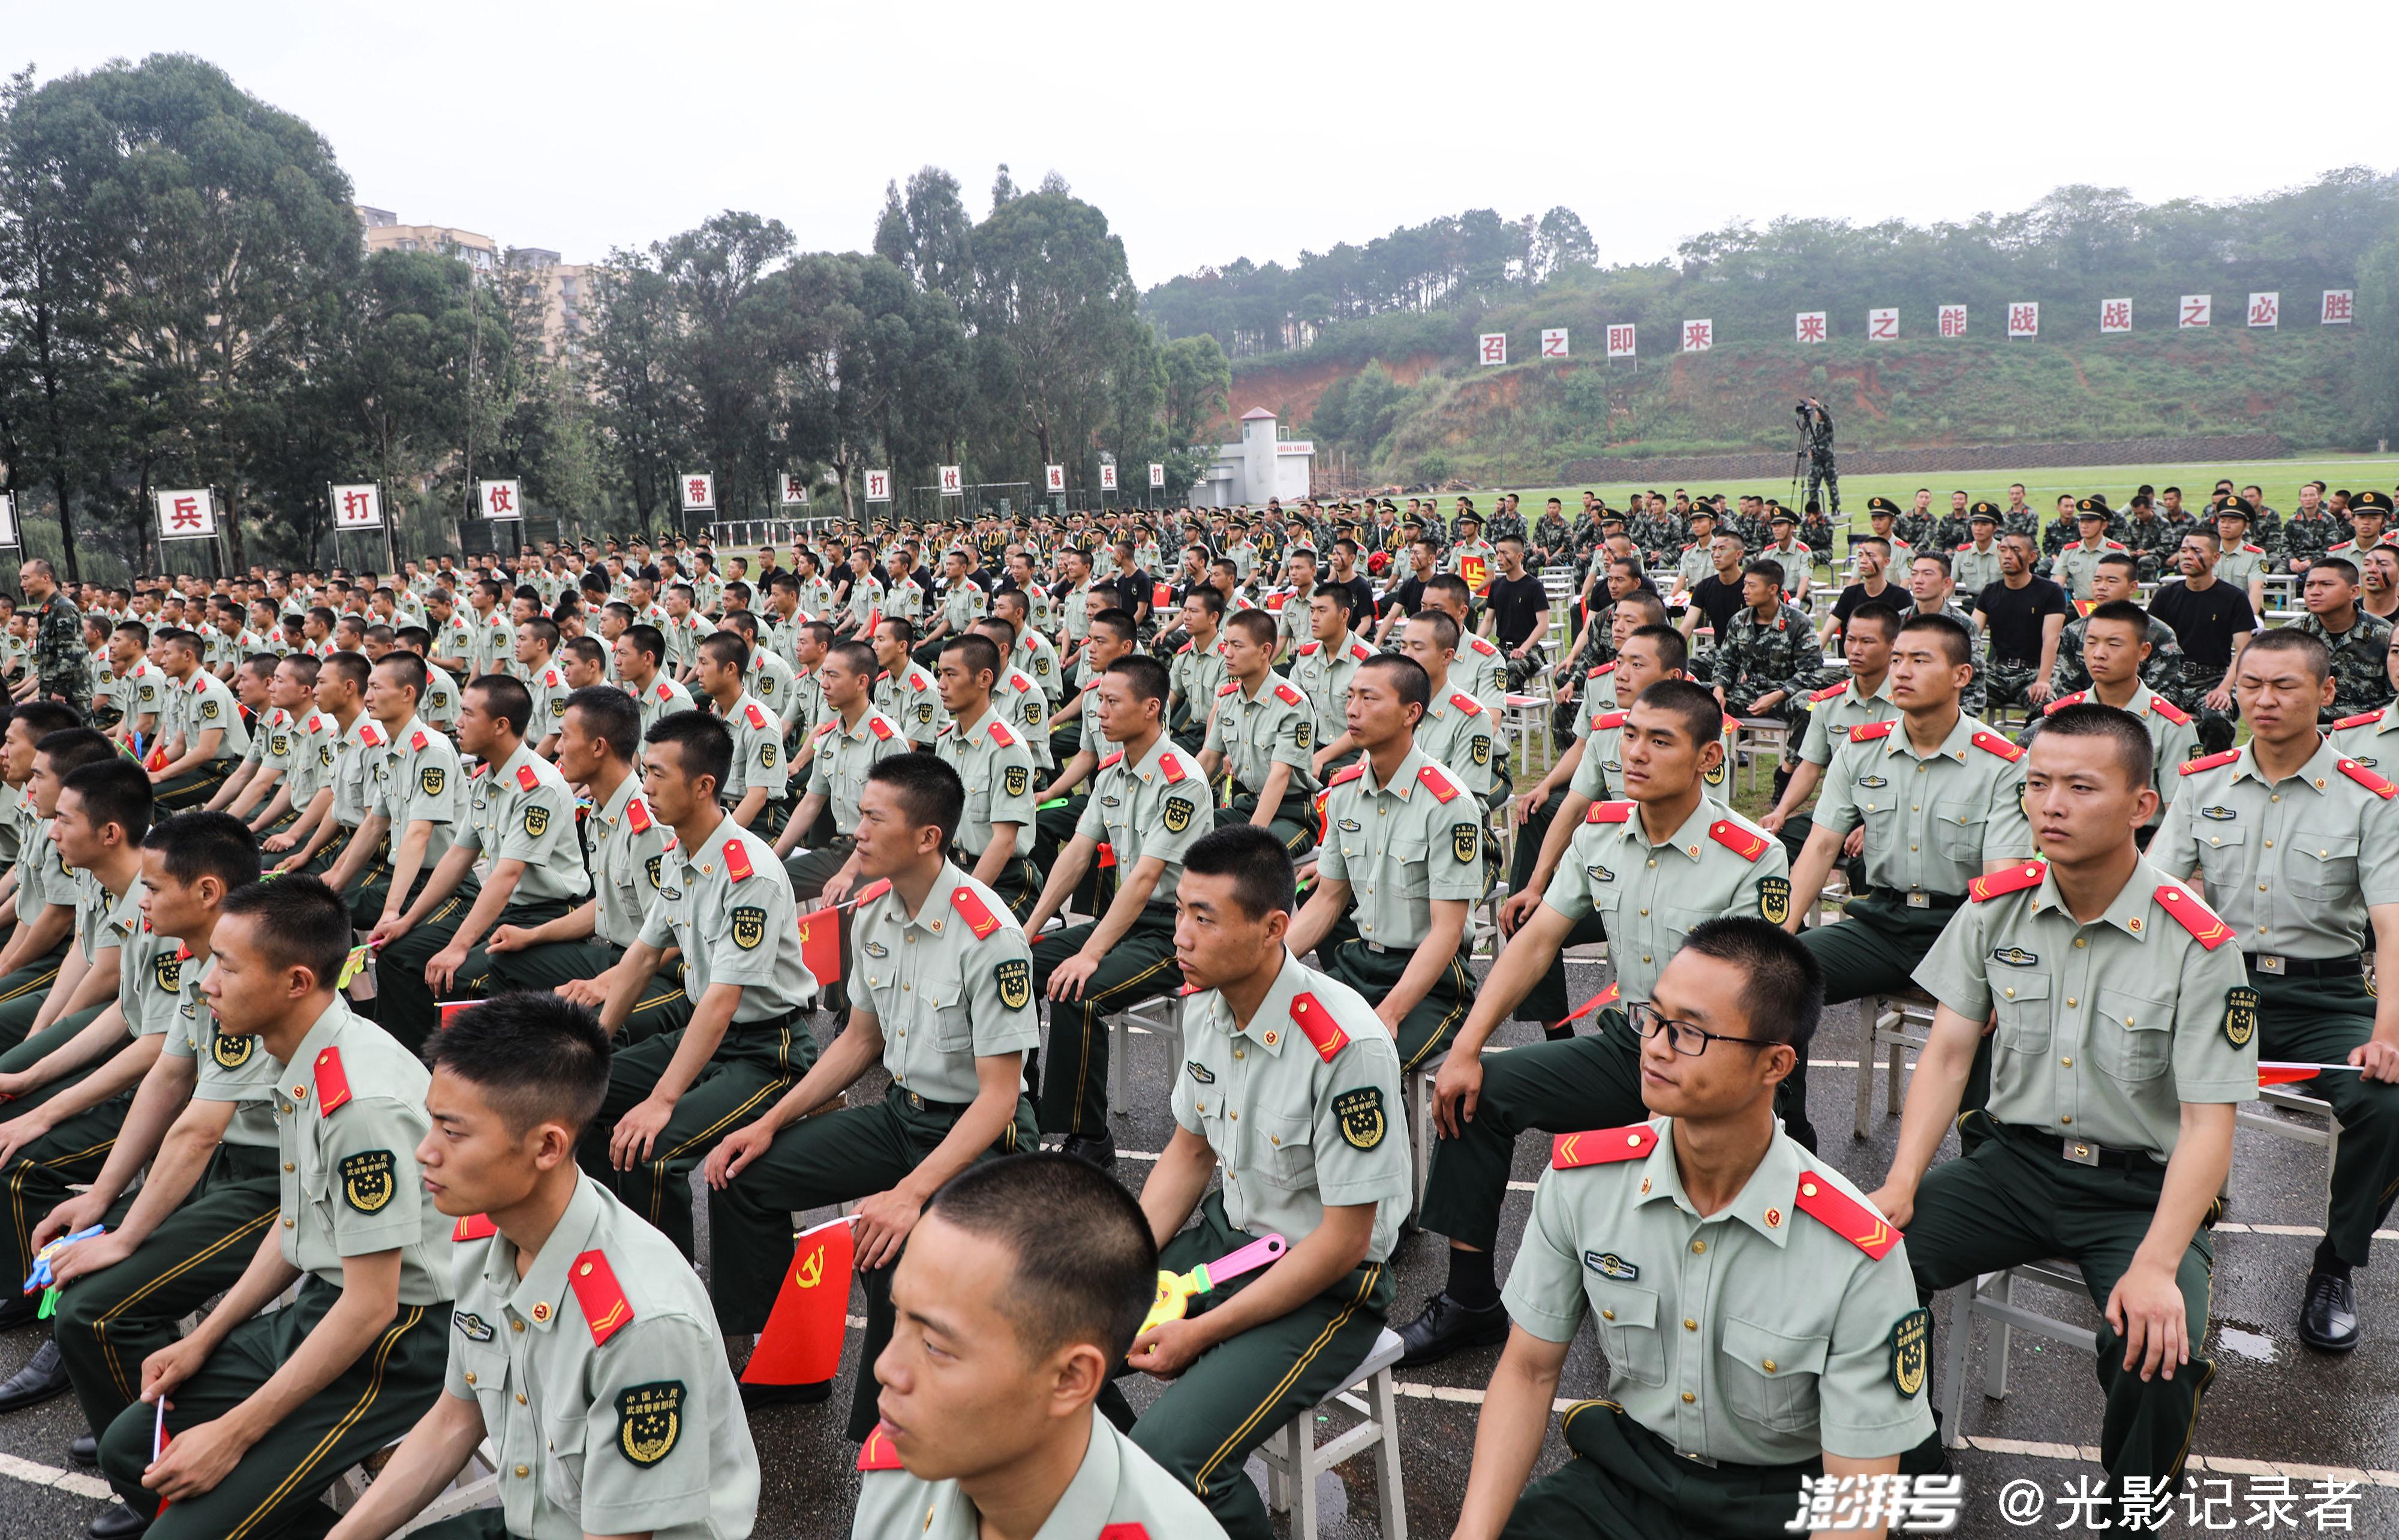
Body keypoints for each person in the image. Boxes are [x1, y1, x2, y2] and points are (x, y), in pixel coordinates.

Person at [1869, 705, 2253, 1526]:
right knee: (1868, 1269)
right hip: (2012, 1165)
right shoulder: (1996, 906)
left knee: (2157, 1348)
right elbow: (1946, 1054)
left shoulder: (2198, 941)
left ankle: (2129, 1515)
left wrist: (2156, 1261)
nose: (2052, 805)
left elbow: (2208, 1126)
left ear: (2140, 806)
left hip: (2138, 1193)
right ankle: (1913, 1460)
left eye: (2081, 787)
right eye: (2038, 784)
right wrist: (1901, 1183)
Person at [1450, 921, 1930, 1540]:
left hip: (1782, 1500)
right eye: (1652, 1018)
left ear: (1775, 1064)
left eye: (1689, 1033)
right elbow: (1529, 1372)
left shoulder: (1855, 1253)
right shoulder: (1585, 1183)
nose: (1653, 1046)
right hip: (1629, 1482)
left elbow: (1854, 1495)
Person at [1398, 682, 1787, 1365]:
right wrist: (1465, 1047)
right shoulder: (1602, 831)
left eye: (1659, 741)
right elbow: (1538, 939)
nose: (1633, 752)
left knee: (1744, 1181)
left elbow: (1753, 1007)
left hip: (1715, 1061)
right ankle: (1468, 1301)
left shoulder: (1750, 857)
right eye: (1630, 734)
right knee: (1476, 1092)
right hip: (1631, 1043)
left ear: (1706, 758)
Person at [91, 876, 456, 1540]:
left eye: (227, 966)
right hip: (333, 1300)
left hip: (400, 1339)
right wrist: (203, 1340)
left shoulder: (358, 1103)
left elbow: (373, 1306)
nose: (205, 984)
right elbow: (296, 1230)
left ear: (294, 982)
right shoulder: (302, 1059)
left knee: (184, 1525)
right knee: (131, 1447)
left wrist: (234, 1433)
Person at [323, 991, 760, 1540]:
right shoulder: (487, 1237)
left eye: (452, 1132)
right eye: (432, 1123)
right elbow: (456, 1419)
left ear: (548, 1146)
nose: (425, 1151)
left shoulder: (639, 1324)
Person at [704, 755, 1039, 1434]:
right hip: (900, 1116)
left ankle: (887, 1437)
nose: (855, 832)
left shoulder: (989, 935)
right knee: (742, 1174)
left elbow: (999, 1100)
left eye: (873, 818)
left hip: (981, 1137)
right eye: (858, 815)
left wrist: (909, 1193)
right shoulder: (875, 914)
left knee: (890, 1252)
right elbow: (859, 1044)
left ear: (927, 838)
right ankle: (782, 1365)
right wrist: (769, 1122)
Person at [1096, 824, 1407, 1540]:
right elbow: (1187, 1155)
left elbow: (1341, 1243)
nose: (1180, 934)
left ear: (1273, 928)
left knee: (1174, 1459)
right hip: (1227, 1244)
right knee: (1049, 1353)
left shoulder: (1345, 1044)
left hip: (1326, 1282)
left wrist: (1200, 1330)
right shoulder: (1209, 1002)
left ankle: (1159, 1490)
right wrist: (1124, 1262)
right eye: (1179, 910)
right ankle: (1125, 1506)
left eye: (1203, 917)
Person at [2155, 628, 2399, 1352]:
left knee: (2388, 1103)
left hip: (2323, 998)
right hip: (2220, 987)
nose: (2262, 701)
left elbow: (2391, 925)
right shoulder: (2205, 781)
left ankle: (2336, 1263)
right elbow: (2160, 895)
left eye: (2284, 686)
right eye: (2250, 684)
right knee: (2113, 1053)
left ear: (2325, 693)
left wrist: (2387, 1031)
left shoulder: (2370, 800)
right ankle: (2161, 1227)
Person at [14, 813, 267, 1454]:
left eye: (153, 888)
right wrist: (100, 1200)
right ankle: (139, 1435)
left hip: (278, 1179)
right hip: (231, 1162)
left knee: (103, 1299)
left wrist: (124, 1233)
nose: (142, 898)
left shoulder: (249, 978)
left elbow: (197, 1130)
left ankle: (149, 1455)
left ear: (207, 893)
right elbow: (167, 1080)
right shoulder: (200, 965)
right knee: (86, 1267)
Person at [850, 1154, 1226, 1539]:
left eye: (935, 1346)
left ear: (1070, 1379)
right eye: (899, 1317)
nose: (885, 1368)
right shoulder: (896, 1475)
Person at [1781, 614, 2035, 1150]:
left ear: (1962, 675)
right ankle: (1790, 1133)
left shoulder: (2002, 763)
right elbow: (1822, 846)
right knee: (1779, 980)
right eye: (1898, 659)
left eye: (1921, 660)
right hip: (1883, 921)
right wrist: (1780, 936)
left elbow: (2004, 880)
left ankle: (1981, 1157)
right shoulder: (1860, 748)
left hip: (1962, 927)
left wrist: (1994, 968)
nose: (1902, 671)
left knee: (1999, 1012)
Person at [582, 711, 822, 1259]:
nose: (645, 787)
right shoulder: (679, 853)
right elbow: (641, 958)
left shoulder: (748, 875)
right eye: (645, 771)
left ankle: (667, 1283)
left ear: (704, 786)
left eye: (658, 775)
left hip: (767, 1049)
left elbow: (723, 1000)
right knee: (583, 1096)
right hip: (708, 1035)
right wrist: (593, 1047)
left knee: (652, 1150)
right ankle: (611, 1246)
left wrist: (663, 1099)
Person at [1023, 657, 1213, 1165]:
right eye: (1097, 700)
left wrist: (1090, 951)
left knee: (1078, 989)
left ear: (1152, 709)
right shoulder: (1114, 772)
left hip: (1172, 932)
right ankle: (1023, 1100)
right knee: (1011, 965)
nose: (1098, 712)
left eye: (1111, 702)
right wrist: (1026, 930)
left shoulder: (1181, 781)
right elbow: (1077, 855)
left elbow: (1148, 877)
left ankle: (1088, 1137)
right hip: (1123, 920)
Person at [369, 674, 589, 1051]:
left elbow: (505, 877)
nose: (458, 720)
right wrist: (405, 920)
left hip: (548, 913)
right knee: (397, 954)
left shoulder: (539, 786)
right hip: (507, 911)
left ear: (501, 725)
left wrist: (457, 947)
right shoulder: (486, 779)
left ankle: (463, 1069)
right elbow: (458, 857)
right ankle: (412, 1059)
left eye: (468, 714)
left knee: (454, 975)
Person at [1285, 655, 1480, 1070]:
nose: (1352, 710)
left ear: (1412, 713)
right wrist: (1270, 962)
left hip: (1430, 982)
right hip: (1360, 965)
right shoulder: (1344, 791)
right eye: (1350, 696)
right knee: (1285, 1042)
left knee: (1363, 1065)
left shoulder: (1448, 804)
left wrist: (1389, 1014)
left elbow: (1447, 933)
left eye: (1369, 699)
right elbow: (1327, 901)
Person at [2026, 601, 2196, 839]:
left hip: (2140, 843)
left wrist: (2144, 870)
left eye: (2114, 644)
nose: (2099, 654)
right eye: (2092, 643)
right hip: (2064, 835)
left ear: (2144, 651)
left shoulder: (2171, 726)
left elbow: (2178, 817)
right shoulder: (2062, 717)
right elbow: (2032, 795)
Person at [1761, 601, 1902, 865]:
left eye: (1868, 642)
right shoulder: (1830, 703)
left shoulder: (1909, 703)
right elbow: (1810, 766)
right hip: (1841, 811)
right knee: (1773, 848)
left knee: (1869, 861)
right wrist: (1781, 812)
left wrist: (1876, 826)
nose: (1856, 650)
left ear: (1893, 645)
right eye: (1850, 639)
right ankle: (1788, 907)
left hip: (1897, 813)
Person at [928, 634, 1044, 919]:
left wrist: (961, 903)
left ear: (984, 679)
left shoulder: (1007, 749)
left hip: (1006, 879)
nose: (941, 684)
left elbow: (1004, 842)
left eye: (951, 675)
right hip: (956, 869)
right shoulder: (946, 741)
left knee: (956, 935)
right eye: (939, 674)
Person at [1198, 609, 1319, 858]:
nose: (1228, 653)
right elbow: (1208, 759)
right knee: (1188, 830)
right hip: (1245, 806)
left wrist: (1250, 836)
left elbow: (1280, 777)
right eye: (1226, 645)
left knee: (1251, 860)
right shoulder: (1228, 699)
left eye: (1237, 646)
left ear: (1265, 651)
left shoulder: (1293, 704)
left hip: (1291, 813)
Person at [2147, 530, 2257, 756]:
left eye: (2197, 551)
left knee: (2216, 719)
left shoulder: (2233, 598)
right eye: (2184, 550)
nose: (2188, 556)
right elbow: (2148, 646)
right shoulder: (2165, 597)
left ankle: (2215, 777)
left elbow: (2245, 651)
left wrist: (2225, 689)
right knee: (2144, 717)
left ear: (2215, 558)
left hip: (2214, 678)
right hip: (2170, 678)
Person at [1970, 534, 2067, 714]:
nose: (2008, 556)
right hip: (1997, 671)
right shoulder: (1990, 592)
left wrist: (2043, 679)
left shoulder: (2051, 592)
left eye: (2016, 550)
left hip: (2034, 671)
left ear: (2032, 557)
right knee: (1954, 694)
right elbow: (1971, 635)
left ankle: (2027, 742)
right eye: (2003, 550)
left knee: (2047, 709)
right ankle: (1971, 740)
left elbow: (2051, 639)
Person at [2292, 557, 2396, 724]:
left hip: (2368, 729)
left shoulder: (2385, 635)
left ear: (2354, 592)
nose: (2315, 591)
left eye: (2326, 585)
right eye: (2310, 585)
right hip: (2308, 730)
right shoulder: (2291, 636)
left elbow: (2395, 699)